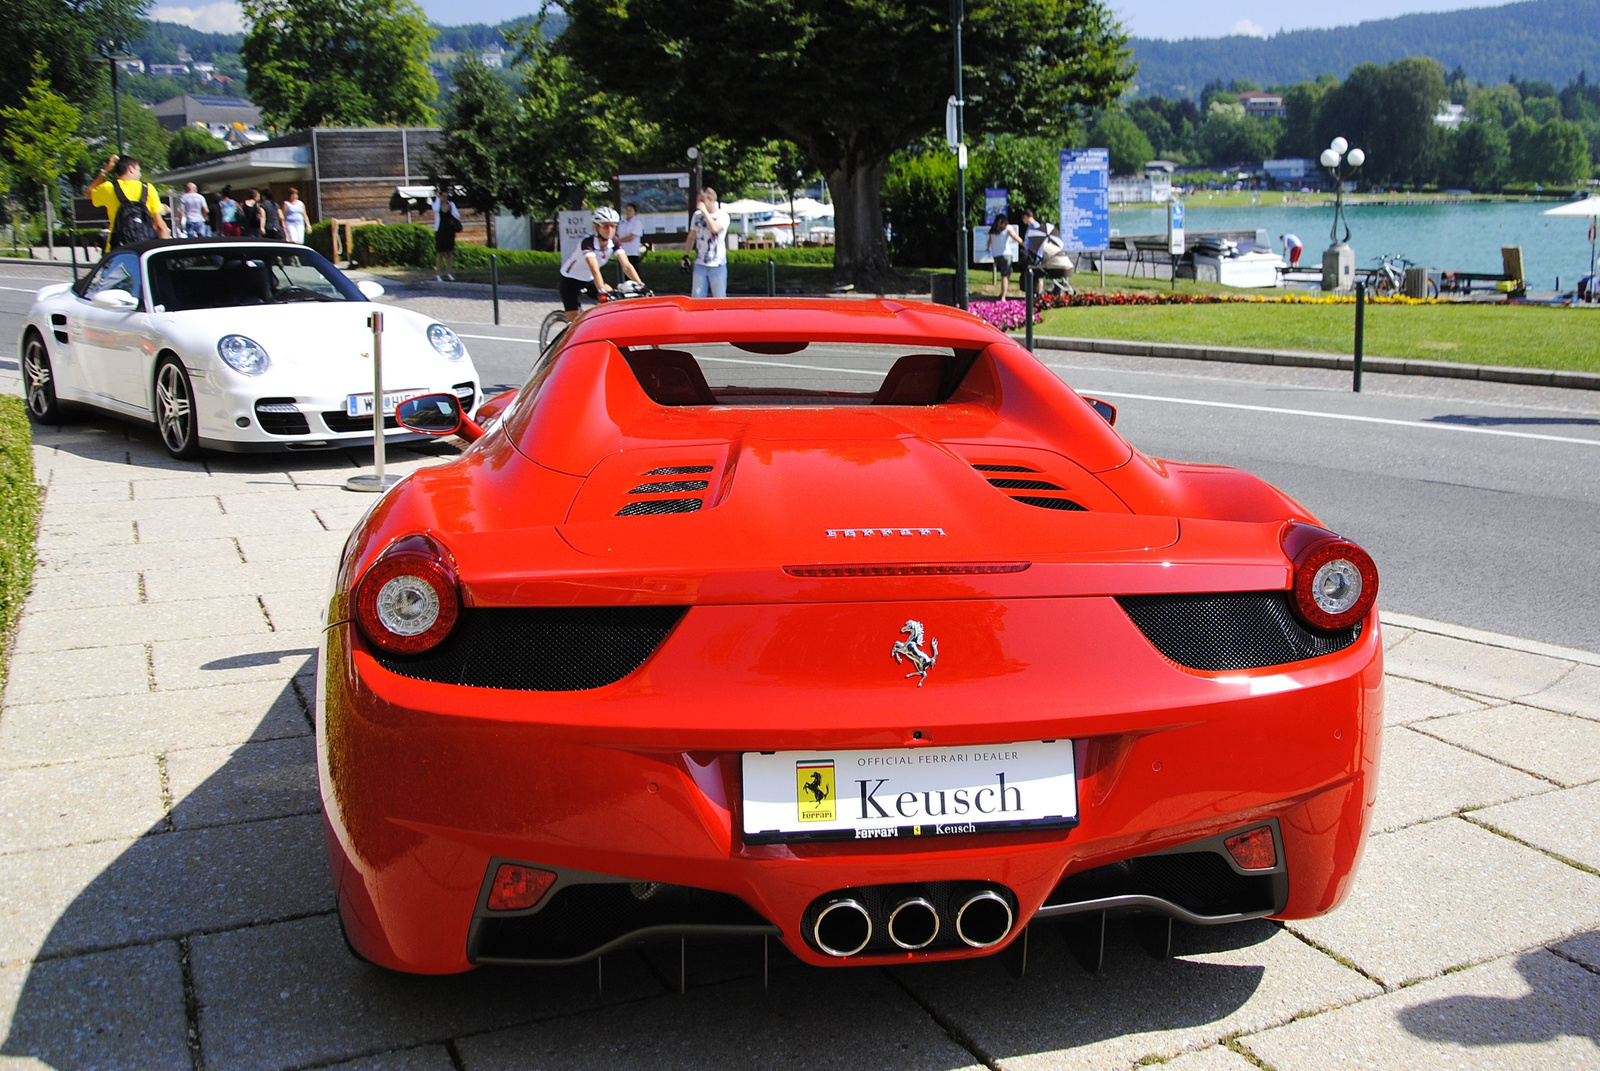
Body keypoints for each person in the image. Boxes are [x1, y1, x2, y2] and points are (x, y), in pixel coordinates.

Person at [558, 206, 643, 323]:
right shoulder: (588, 243)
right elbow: (594, 268)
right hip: (571, 281)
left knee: (615, 302)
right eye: (606, 226)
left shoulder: (614, 241)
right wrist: (602, 291)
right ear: (597, 227)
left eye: (613, 226)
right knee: (573, 323)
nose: (610, 230)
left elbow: (626, 265)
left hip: (589, 280)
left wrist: (640, 285)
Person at [87, 155, 170, 250]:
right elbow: (160, 225)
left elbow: (89, 193)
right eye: (138, 170)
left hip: (118, 250)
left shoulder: (108, 188)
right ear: (131, 169)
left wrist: (106, 170)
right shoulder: (148, 188)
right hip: (144, 248)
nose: (140, 174)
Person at [684, 187, 729, 298]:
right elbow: (691, 236)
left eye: (702, 200)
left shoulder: (723, 216)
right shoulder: (697, 215)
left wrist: (704, 212)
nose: (699, 203)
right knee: (697, 297)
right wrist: (686, 255)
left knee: (719, 297)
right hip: (700, 263)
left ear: (711, 199)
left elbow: (714, 228)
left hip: (717, 264)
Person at [987, 213, 1023, 300]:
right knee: (1005, 275)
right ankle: (1003, 296)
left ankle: (1003, 293)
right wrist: (1023, 243)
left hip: (996, 255)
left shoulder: (993, 230)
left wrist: (988, 248)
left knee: (1005, 273)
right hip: (1006, 254)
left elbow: (990, 241)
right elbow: (1015, 237)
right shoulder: (1008, 228)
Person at [432, 192, 461, 280]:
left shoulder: (451, 204)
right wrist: (437, 199)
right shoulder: (437, 204)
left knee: (449, 253)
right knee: (440, 253)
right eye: (442, 196)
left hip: (449, 231)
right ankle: (438, 274)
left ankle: (449, 273)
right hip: (440, 231)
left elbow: (457, 216)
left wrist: (451, 209)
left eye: (446, 196)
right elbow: (435, 209)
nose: (444, 198)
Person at [617, 202, 646, 268]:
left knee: (633, 269)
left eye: (630, 210)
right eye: (627, 210)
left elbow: (632, 237)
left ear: (634, 212)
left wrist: (619, 241)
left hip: (632, 252)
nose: (628, 212)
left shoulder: (636, 222)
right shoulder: (622, 222)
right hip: (622, 251)